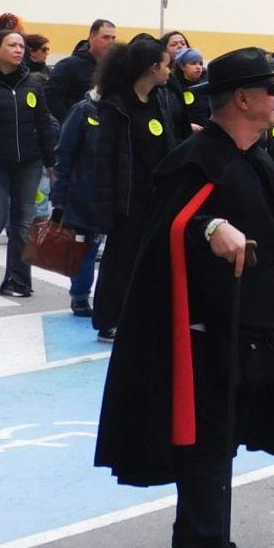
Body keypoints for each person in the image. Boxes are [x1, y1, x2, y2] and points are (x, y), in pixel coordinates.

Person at [94, 47, 274, 548]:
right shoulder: (198, 158)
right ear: (242, 98)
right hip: (207, 333)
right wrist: (209, 224)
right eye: (271, 89)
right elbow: (172, 223)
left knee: (223, 436)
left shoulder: (248, 154)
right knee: (208, 437)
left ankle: (195, 534)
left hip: (252, 330)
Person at [91, 36, 179, 339]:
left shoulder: (162, 101)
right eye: (167, 65)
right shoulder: (116, 107)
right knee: (120, 262)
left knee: (152, 263)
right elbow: (105, 161)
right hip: (127, 200)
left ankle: (142, 316)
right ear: (153, 67)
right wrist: (106, 209)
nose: (170, 71)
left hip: (157, 199)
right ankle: (108, 319)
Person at [0, 29, 59, 297]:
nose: (19, 50)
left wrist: (50, 161)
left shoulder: (32, 83)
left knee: (24, 222)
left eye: (21, 45)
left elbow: (43, 124)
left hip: (29, 162)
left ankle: (17, 281)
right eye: (12, 45)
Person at [51, 81, 107, 316]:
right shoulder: (83, 110)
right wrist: (59, 198)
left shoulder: (121, 114)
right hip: (84, 192)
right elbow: (64, 154)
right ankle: (81, 296)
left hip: (110, 193)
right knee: (85, 246)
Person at [47, 19, 117, 126]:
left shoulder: (113, 69)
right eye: (106, 37)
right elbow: (51, 97)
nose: (111, 43)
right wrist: (71, 123)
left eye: (113, 38)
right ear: (92, 37)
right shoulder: (68, 65)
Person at [169, 48, 209, 140]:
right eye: (193, 63)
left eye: (200, 63)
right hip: (184, 135)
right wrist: (187, 126)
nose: (198, 67)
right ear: (182, 67)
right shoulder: (174, 86)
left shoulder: (206, 84)